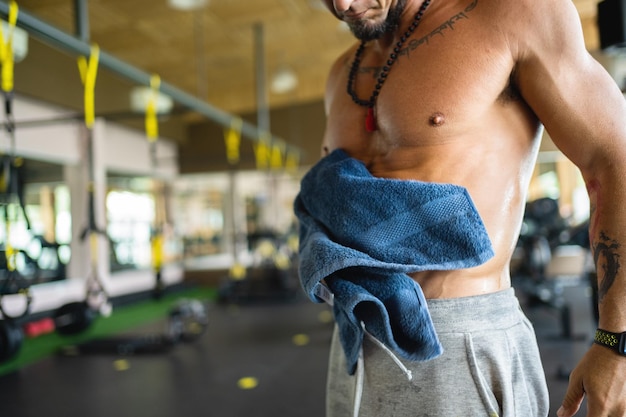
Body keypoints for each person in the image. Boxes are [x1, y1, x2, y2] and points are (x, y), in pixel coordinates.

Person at [296, 0, 626, 416]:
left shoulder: (512, 15)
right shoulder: (340, 73)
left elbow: (615, 161)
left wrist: (617, 341)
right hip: (354, 342)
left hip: (462, 335)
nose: (343, 4)